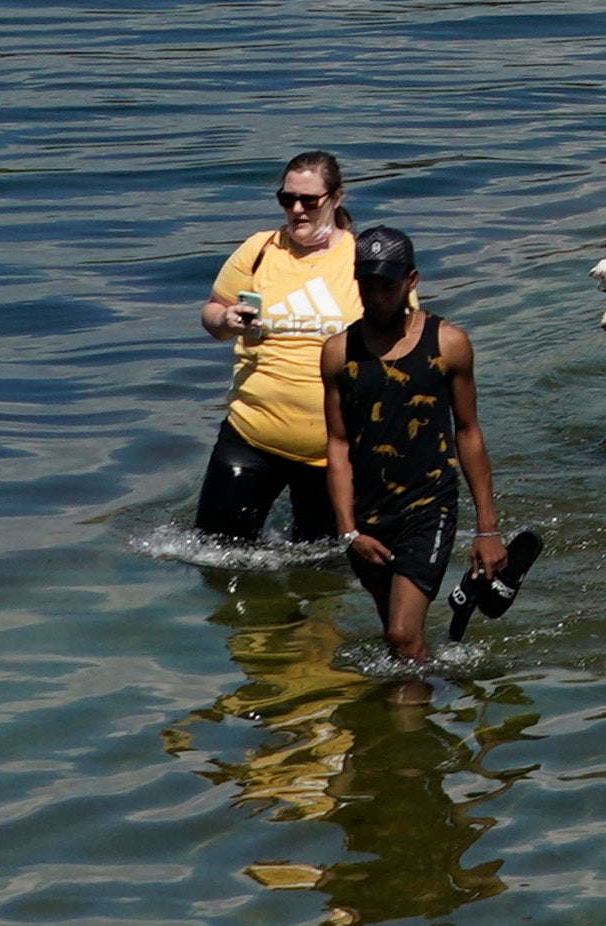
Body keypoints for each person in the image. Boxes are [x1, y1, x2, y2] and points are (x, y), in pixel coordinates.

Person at [317, 229, 521, 664]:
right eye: (366, 287)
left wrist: (487, 529)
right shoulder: (338, 352)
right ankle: (426, 693)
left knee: (400, 635)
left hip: (429, 506)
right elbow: (336, 444)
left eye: (387, 287)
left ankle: (424, 720)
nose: (376, 297)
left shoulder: (448, 344)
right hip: (368, 513)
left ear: (411, 280)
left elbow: (468, 432)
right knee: (396, 640)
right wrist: (348, 530)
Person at [196, 150, 360, 546]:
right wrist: (224, 319)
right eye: (287, 200)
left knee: (323, 568)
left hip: (333, 451)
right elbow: (212, 313)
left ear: (336, 199)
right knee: (214, 555)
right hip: (250, 434)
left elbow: (403, 338)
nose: (297, 210)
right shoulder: (259, 249)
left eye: (309, 201)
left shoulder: (361, 257)